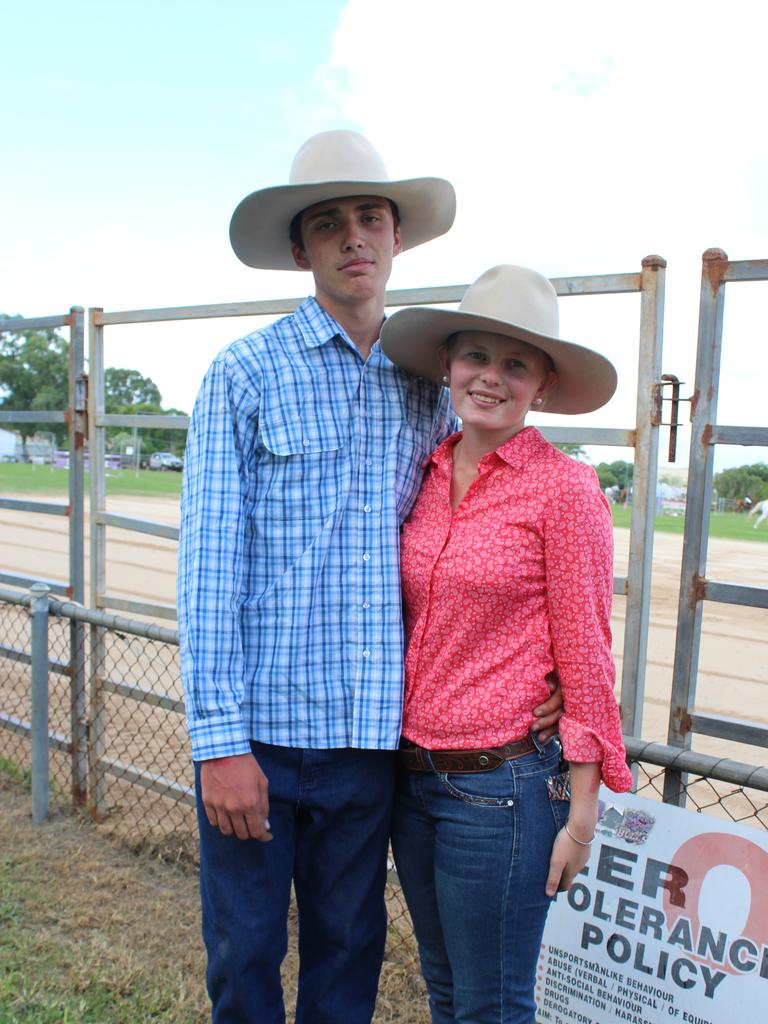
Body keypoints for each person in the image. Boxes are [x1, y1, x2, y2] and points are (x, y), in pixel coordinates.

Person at [177, 135, 564, 1024]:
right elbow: (208, 572)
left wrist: (541, 670)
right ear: (299, 250)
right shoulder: (246, 375)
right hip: (262, 737)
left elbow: (489, 535)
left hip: (368, 741)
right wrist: (218, 743)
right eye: (328, 224)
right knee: (244, 957)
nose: (354, 238)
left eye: (370, 219)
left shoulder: (428, 388)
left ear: (397, 241)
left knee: (349, 954)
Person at [380, 264, 634, 1024]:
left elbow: (587, 651)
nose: (491, 377)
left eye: (515, 363)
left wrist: (581, 813)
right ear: (449, 366)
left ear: (543, 384)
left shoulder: (565, 490)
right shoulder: (420, 473)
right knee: (447, 989)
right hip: (411, 777)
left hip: (500, 791)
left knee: (491, 1005)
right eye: (476, 357)